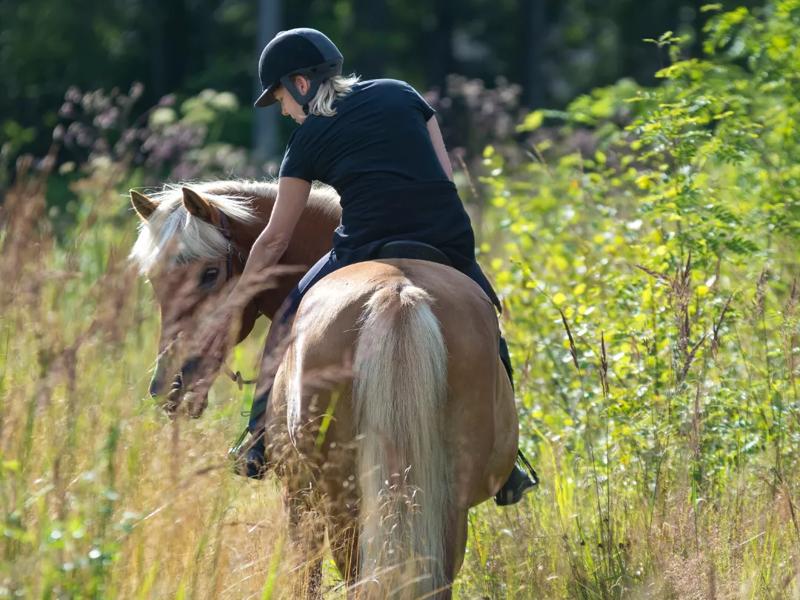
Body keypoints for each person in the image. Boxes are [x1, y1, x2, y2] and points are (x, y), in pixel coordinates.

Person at [211, 28, 536, 505]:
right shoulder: (401, 93)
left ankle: (257, 438)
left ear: (300, 83)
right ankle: (509, 462)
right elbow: (443, 177)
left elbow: (277, 236)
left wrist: (239, 297)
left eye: (279, 96)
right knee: (486, 318)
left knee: (285, 322)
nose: (282, 109)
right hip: (446, 237)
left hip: (365, 245)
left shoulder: (306, 140)